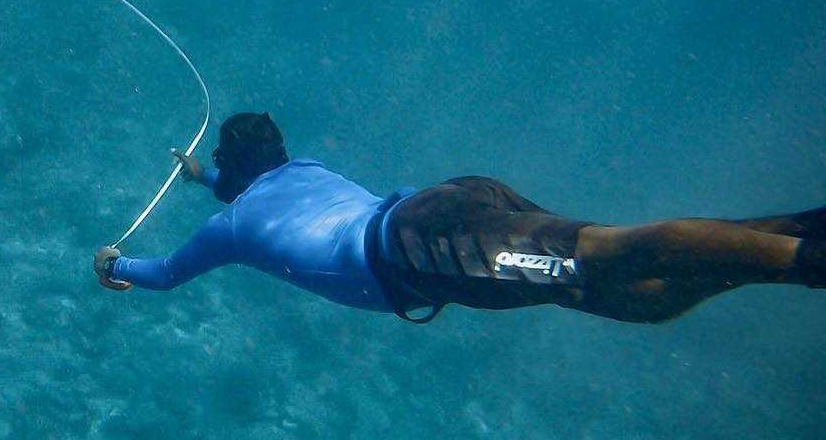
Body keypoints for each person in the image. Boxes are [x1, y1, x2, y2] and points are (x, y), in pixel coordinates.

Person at [94, 112, 825, 324]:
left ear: (238, 171)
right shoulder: (302, 171)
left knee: (610, 253)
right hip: (442, 211)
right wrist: (202, 177)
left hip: (422, 250)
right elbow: (245, 188)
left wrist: (113, 267)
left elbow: (161, 275)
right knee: (616, 296)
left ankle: (802, 258)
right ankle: (787, 241)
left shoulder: (231, 228)